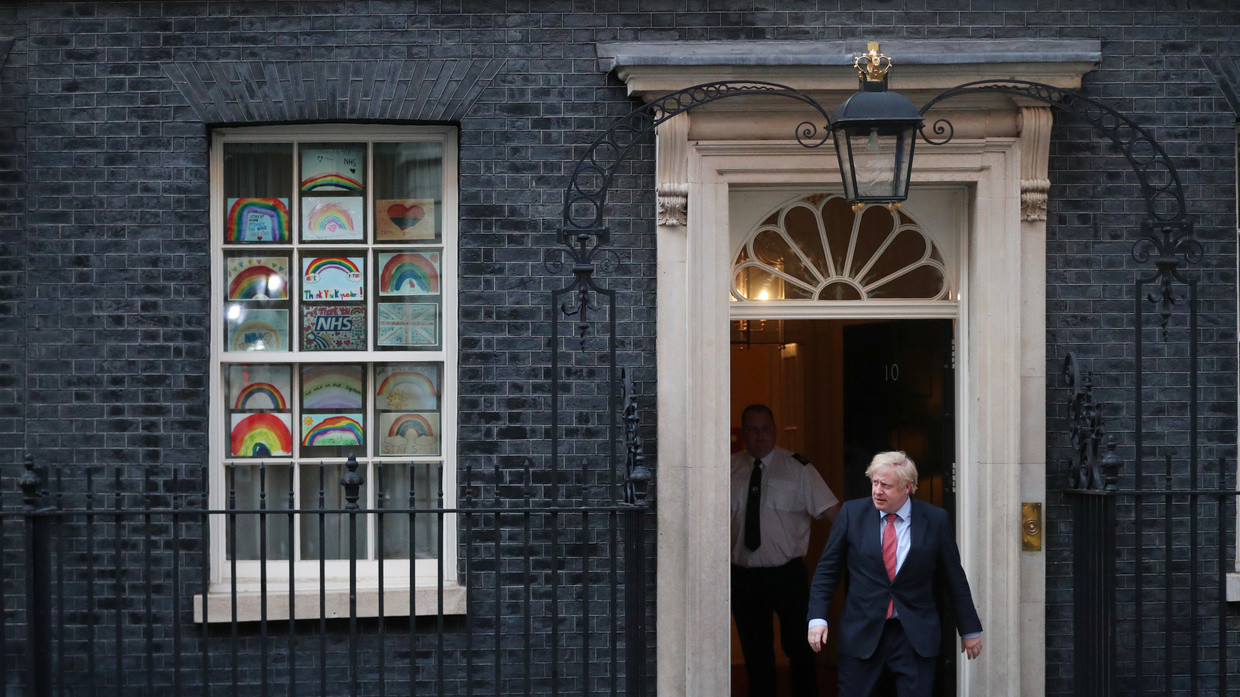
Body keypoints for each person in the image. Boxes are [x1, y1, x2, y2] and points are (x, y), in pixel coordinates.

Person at [806, 451, 982, 697]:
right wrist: (817, 619)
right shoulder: (851, 514)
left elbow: (954, 577)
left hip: (914, 636)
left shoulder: (935, 519)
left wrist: (970, 630)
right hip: (862, 632)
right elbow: (826, 572)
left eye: (886, 485)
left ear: (907, 487)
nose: (877, 490)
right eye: (875, 482)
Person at [731, 403, 841, 697]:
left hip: (787, 575)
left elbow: (833, 514)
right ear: (744, 433)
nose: (759, 436)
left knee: (801, 649)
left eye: (765, 428)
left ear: (775, 429)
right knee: (756, 655)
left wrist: (860, 547)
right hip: (743, 577)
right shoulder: (727, 470)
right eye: (752, 430)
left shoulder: (798, 469)